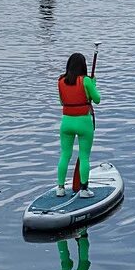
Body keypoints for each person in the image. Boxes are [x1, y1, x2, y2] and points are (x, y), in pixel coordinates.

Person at [56, 52, 101, 198]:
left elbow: (62, 102)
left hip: (66, 122)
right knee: (84, 156)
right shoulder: (86, 81)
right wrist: (93, 85)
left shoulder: (61, 81)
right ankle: (83, 190)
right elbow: (97, 99)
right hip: (83, 122)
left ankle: (60, 188)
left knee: (65, 154)